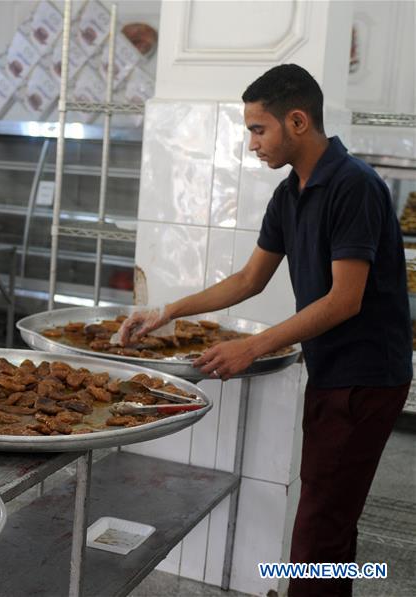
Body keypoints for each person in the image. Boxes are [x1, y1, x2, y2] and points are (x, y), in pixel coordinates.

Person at [119, 64, 411, 596]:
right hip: (333, 372)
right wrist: (167, 311)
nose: (251, 142)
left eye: (258, 129)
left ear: (297, 121)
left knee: (320, 522)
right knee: (331, 514)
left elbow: (345, 299)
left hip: (366, 376)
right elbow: (250, 279)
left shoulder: (355, 187)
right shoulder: (290, 193)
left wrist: (251, 347)